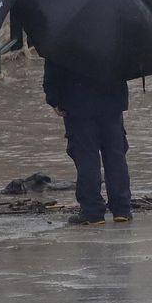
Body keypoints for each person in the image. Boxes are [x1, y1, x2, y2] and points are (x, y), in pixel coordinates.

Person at [43, 58, 132, 225]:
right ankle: (122, 209)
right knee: (115, 155)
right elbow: (126, 63)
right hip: (112, 101)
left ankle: (92, 211)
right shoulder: (115, 32)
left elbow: (53, 69)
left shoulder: (63, 35)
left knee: (86, 157)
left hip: (78, 102)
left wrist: (53, 98)